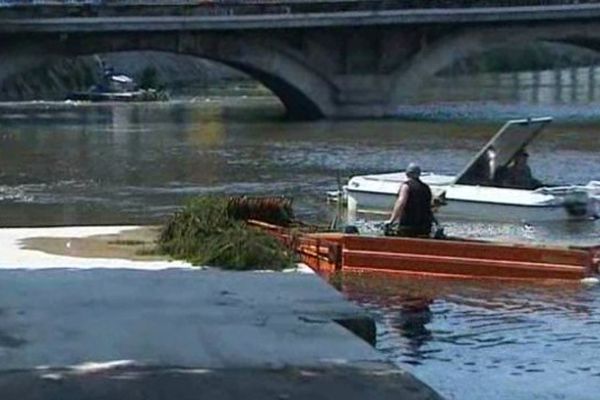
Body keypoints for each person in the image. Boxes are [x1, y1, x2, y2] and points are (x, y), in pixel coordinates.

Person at [385, 163, 434, 237]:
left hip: (408, 225)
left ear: (407, 174)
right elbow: (429, 207)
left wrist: (391, 220)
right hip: (425, 226)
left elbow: (401, 203)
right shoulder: (426, 188)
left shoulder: (406, 186)